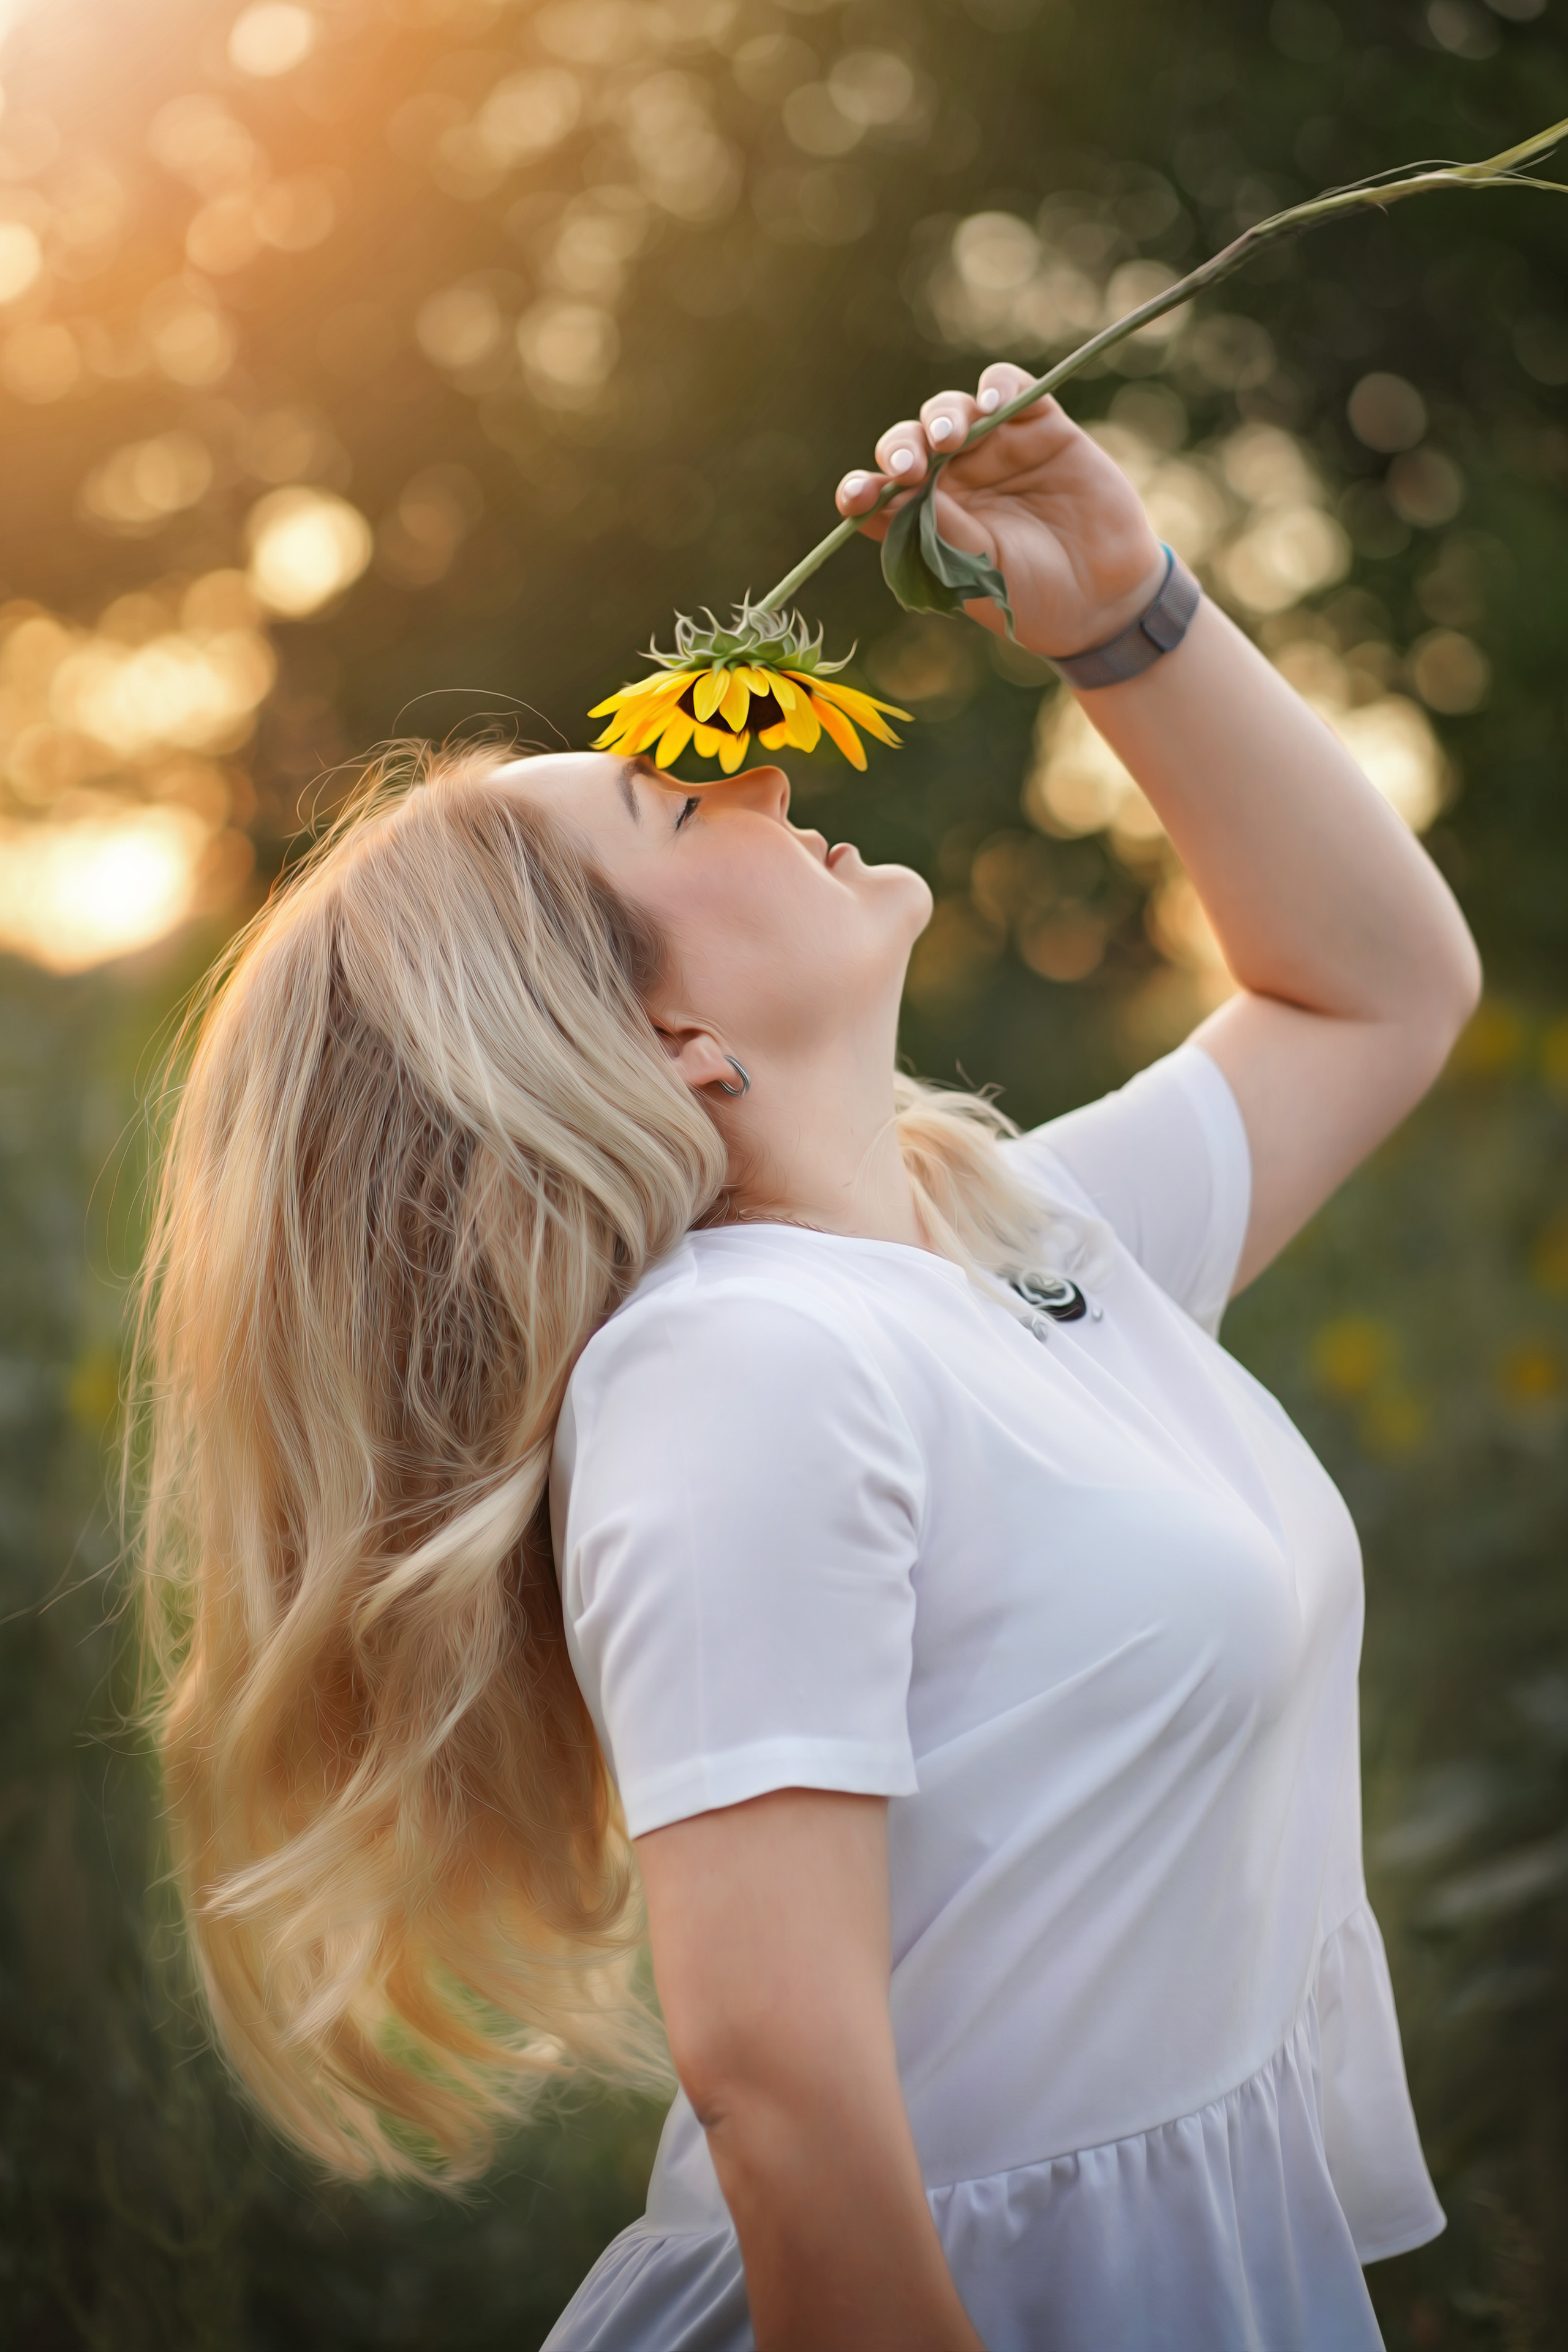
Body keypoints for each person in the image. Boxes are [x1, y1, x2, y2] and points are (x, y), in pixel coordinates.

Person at [135, 363, 1477, 2352]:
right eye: (689, 799)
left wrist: (1123, 606)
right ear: (658, 1047)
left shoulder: (1005, 1251)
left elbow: (1377, 990)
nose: (763, 769)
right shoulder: (743, 1368)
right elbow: (783, 2096)